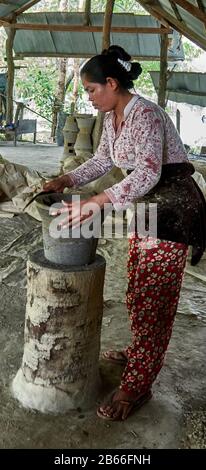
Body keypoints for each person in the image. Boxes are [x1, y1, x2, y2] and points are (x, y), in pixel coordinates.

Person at [44, 45, 206, 421]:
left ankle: (137, 386)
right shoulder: (113, 117)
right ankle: (139, 351)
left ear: (112, 83)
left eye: (90, 90)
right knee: (138, 285)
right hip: (148, 204)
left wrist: (96, 201)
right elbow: (103, 160)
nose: (88, 97)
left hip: (173, 208)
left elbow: (148, 173)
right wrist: (66, 179)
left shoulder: (145, 114)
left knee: (155, 299)